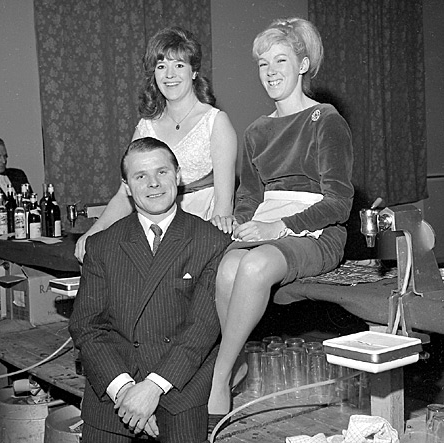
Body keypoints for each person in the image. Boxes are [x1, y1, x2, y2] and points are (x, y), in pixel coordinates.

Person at [207, 17, 354, 427]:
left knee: (252, 266)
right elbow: (250, 197)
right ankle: (234, 366)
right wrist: (238, 223)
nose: (270, 72)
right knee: (227, 267)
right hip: (268, 226)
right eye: (262, 63)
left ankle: (220, 377)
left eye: (280, 60)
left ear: (303, 65)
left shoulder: (325, 120)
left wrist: (280, 227)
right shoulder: (256, 131)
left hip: (317, 230)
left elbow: (340, 202)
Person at [69, 137, 232, 443]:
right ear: (127, 187)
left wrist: (153, 388)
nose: (153, 184)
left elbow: (203, 328)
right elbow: (86, 327)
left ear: (178, 176)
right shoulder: (102, 245)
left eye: (162, 172)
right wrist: (126, 392)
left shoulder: (211, 241)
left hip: (180, 391)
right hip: (112, 395)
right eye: (140, 176)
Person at [74, 26, 237, 262]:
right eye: (162, 66)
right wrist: (94, 231)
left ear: (194, 72)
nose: (169, 75)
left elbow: (224, 207)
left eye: (179, 65)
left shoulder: (215, 122)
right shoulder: (145, 127)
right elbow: (125, 195)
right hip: (155, 224)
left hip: (202, 224)